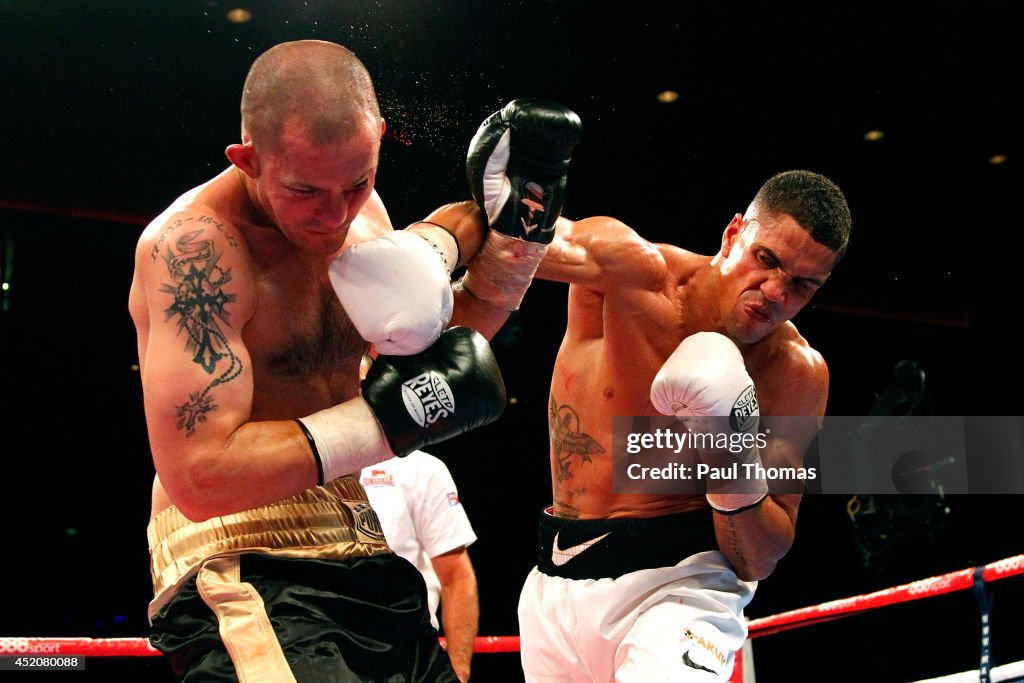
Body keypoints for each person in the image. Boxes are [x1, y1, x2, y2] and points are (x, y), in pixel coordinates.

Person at [128, 40, 578, 681]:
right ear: (248, 159)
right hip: (239, 555)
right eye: (305, 189)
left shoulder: (363, 216)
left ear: (378, 143)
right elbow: (199, 478)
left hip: (363, 538)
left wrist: (514, 247)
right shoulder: (195, 250)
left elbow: (432, 359)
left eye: (357, 182)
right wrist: (387, 424)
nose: (334, 214)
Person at [497, 168, 852, 682]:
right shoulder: (632, 274)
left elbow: (761, 558)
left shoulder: (797, 373)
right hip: (555, 581)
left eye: (802, 285)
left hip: (683, 590)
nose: (775, 292)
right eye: (766, 260)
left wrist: (732, 460)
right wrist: (452, 232)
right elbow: (511, 242)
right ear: (734, 235)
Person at [361, 451, 479, 682]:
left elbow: (457, 576)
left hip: (407, 656)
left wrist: (458, 672)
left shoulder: (419, 469)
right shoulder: (305, 466)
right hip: (327, 649)